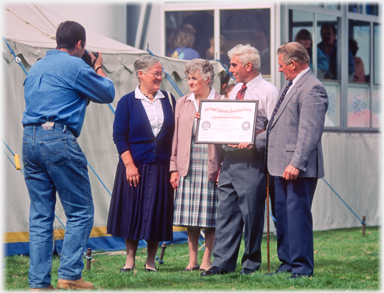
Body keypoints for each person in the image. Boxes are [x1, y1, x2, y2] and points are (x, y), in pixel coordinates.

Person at [22, 21, 115, 290]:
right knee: (80, 211)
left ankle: (39, 283)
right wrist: (96, 65)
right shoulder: (75, 65)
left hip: (29, 138)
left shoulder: (37, 65)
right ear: (79, 44)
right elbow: (107, 92)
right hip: (57, 137)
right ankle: (70, 275)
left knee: (40, 215)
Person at [201, 44, 278, 276]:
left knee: (251, 214)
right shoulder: (235, 91)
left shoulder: (268, 91)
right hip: (230, 159)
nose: (230, 69)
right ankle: (222, 264)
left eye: (233, 64)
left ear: (248, 65)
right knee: (226, 213)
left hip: (252, 160)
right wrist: (208, 120)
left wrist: (254, 140)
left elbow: (274, 128)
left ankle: (250, 264)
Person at [261, 42, 328, 278]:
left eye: (281, 65)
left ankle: (302, 268)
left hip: (296, 167)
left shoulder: (313, 88)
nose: (279, 70)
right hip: (279, 165)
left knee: (297, 217)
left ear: (293, 63)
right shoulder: (290, 86)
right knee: (283, 217)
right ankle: (287, 262)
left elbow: (310, 132)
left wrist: (297, 163)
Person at [107, 55, 176, 273]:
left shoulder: (170, 99)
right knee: (132, 211)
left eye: (161, 73)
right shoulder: (127, 101)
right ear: (141, 74)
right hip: (134, 167)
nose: (159, 77)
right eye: (156, 73)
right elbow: (119, 135)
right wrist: (129, 165)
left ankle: (151, 261)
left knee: (156, 211)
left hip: (161, 166)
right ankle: (129, 260)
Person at [170, 59, 224, 272]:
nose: (190, 82)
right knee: (191, 216)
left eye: (194, 78)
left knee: (210, 215)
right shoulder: (183, 102)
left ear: (207, 79)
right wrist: (173, 167)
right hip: (187, 162)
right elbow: (175, 137)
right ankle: (192, 260)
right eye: (188, 78)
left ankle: (207, 260)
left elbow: (227, 136)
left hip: (212, 163)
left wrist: (222, 167)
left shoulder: (221, 101)